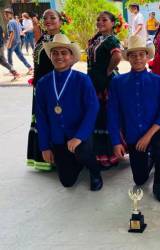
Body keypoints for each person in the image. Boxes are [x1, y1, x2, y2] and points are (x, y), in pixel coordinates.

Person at [107, 35, 160, 203]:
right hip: (133, 135)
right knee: (140, 180)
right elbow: (112, 113)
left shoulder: (158, 81)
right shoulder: (117, 82)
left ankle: (159, 183)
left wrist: (148, 136)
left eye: (141, 54)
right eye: (133, 55)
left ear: (146, 56)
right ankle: (149, 161)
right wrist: (116, 142)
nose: (137, 58)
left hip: (155, 131)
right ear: (128, 57)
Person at [35, 34, 103, 191]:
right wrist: (44, 146)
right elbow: (41, 117)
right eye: (55, 53)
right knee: (67, 181)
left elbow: (93, 109)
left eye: (64, 53)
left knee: (83, 152)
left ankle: (94, 171)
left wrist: (79, 137)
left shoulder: (82, 79)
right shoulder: (43, 83)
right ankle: (76, 162)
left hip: (80, 133)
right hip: (58, 136)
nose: (59, 56)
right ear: (50, 56)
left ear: (71, 56)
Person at [27, 9, 64, 171]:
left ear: (60, 21)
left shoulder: (61, 39)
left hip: (53, 88)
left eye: (52, 17)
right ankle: (44, 158)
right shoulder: (43, 38)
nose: (48, 20)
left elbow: (64, 65)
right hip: (39, 87)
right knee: (41, 119)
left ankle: (59, 158)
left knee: (53, 120)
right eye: (45, 17)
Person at [87, 11, 123, 168]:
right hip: (94, 81)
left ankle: (110, 155)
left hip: (106, 84)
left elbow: (117, 56)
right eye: (98, 19)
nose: (100, 22)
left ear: (112, 23)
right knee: (97, 117)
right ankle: (99, 154)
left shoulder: (111, 40)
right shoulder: (98, 39)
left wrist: (108, 71)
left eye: (104, 20)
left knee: (105, 116)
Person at [3, 8, 33, 74]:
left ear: (9, 14)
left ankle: (12, 70)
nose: (5, 16)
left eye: (5, 15)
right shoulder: (16, 21)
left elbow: (12, 33)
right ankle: (29, 67)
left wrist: (9, 43)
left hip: (13, 42)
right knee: (20, 56)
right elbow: (20, 31)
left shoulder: (10, 22)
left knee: (9, 56)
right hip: (18, 41)